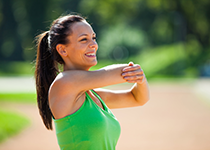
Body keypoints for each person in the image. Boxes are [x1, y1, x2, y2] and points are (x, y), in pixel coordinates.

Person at [35, 14, 150, 150]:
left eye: (93, 38)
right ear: (62, 49)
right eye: (84, 39)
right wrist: (134, 71)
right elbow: (113, 73)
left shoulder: (92, 96)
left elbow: (137, 98)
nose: (94, 45)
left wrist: (141, 80)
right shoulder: (64, 83)